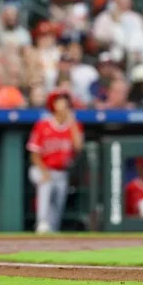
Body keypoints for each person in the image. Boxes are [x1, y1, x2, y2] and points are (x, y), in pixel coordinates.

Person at [27, 90, 84, 234]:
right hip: (40, 168)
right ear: (53, 104)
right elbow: (34, 155)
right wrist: (44, 172)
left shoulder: (73, 126)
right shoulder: (43, 124)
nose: (63, 104)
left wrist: (72, 122)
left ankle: (50, 230)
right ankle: (42, 223)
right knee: (45, 184)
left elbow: (78, 147)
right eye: (59, 101)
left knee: (57, 209)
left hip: (61, 172)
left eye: (65, 101)